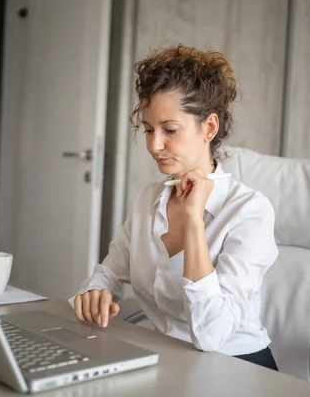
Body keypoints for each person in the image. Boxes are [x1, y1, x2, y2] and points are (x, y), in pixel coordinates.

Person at [69, 45, 279, 371]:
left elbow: (212, 335)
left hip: (237, 370)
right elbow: (109, 272)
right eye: (149, 129)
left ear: (209, 128)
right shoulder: (148, 199)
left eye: (170, 130)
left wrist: (194, 221)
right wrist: (95, 292)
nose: (154, 145)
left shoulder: (249, 211)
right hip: (167, 361)